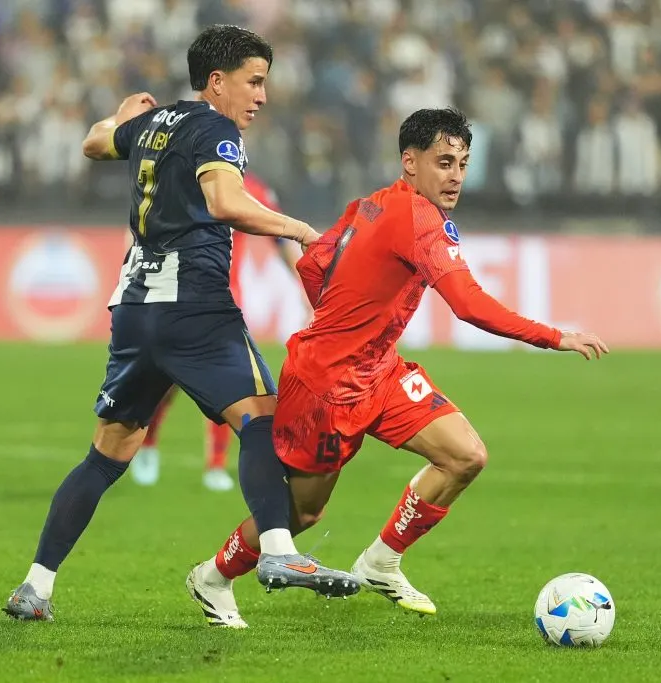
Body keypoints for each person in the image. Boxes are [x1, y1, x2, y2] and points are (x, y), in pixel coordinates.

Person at [186, 107, 608, 626]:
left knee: (465, 456)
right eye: (444, 162)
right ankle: (213, 575)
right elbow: (469, 304)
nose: (455, 175)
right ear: (411, 162)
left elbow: (315, 264)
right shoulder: (420, 220)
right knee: (302, 513)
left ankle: (382, 560)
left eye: (463, 163)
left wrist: (351, 317)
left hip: (379, 373)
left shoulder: (367, 206)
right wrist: (555, 335)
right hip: (326, 388)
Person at [3, 25, 358, 623]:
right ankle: (277, 549)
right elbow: (223, 203)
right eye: (254, 81)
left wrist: (120, 114)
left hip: (134, 310)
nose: (262, 96)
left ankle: (35, 586)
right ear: (216, 83)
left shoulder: (158, 122)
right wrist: (299, 228)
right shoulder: (218, 133)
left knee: (105, 455)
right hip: (193, 306)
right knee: (262, 421)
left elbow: (94, 144)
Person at [131, 173, 302, 492]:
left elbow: (280, 240)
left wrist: (304, 287)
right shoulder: (184, 180)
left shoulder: (253, 189)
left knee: (228, 385)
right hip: (179, 298)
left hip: (226, 302)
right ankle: (149, 443)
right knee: (167, 385)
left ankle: (216, 465)